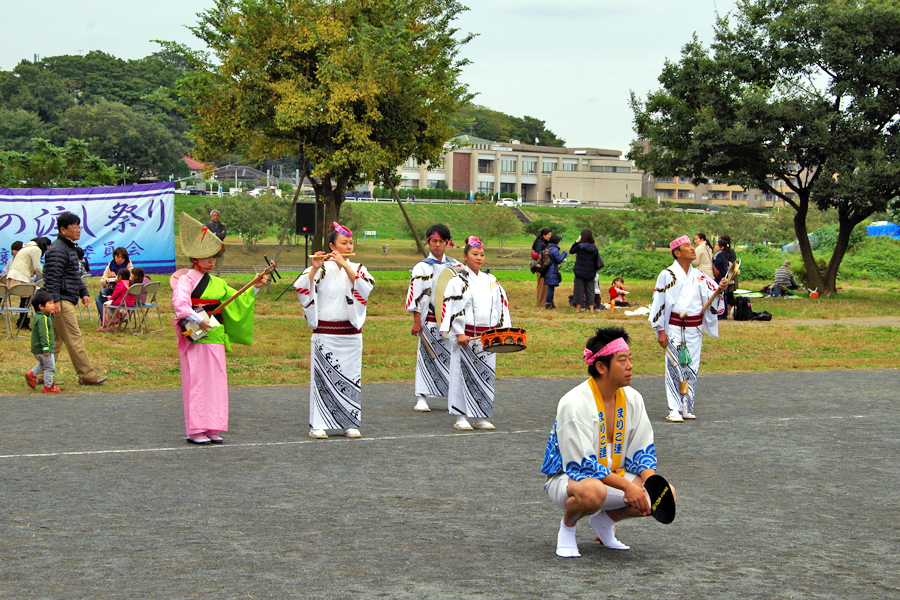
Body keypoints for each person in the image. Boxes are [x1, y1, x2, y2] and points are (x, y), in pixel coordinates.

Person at [541, 327, 662, 557]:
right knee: (593, 492)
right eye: (622, 360)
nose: (630, 366)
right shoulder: (574, 402)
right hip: (568, 479)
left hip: (612, 475)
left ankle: (605, 522)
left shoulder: (634, 399)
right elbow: (580, 466)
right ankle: (567, 527)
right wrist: (628, 487)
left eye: (630, 359)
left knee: (665, 494)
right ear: (600, 366)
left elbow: (642, 450)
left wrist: (652, 485)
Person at [172, 212, 269, 444]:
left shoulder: (219, 283)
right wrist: (198, 318)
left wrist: (254, 286)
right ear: (195, 257)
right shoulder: (186, 280)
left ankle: (213, 427)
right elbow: (180, 305)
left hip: (215, 336)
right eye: (207, 257)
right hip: (196, 336)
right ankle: (196, 429)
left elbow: (236, 301)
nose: (212, 261)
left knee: (216, 384)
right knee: (197, 382)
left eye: (214, 256)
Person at [296, 221, 374, 439]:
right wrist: (314, 267)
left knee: (351, 376)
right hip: (325, 333)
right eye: (344, 243)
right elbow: (302, 288)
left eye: (350, 243)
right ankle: (318, 423)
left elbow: (365, 288)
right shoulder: (320, 267)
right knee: (322, 377)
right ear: (332, 246)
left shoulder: (359, 268)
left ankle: (348, 422)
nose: (349, 247)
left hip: (350, 335)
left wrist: (346, 265)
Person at [649, 235, 726, 422]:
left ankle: (687, 405)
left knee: (692, 366)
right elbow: (658, 303)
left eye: (692, 244)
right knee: (675, 366)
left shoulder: (700, 275)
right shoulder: (666, 274)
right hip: (675, 327)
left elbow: (713, 295)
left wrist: (720, 289)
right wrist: (660, 330)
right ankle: (674, 408)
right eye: (687, 246)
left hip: (694, 328)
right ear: (677, 253)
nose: (693, 248)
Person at [439, 236, 511, 431]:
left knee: (485, 374)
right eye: (474, 254)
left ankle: (480, 415)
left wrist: (501, 330)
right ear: (465, 256)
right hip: (466, 336)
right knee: (462, 374)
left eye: (482, 254)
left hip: (487, 337)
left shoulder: (491, 280)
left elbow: (500, 306)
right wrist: (459, 332)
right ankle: (460, 415)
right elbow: (453, 306)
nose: (479, 258)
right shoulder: (457, 280)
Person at [42, 212, 107, 385]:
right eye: (74, 227)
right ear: (63, 230)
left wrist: (83, 292)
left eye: (79, 226)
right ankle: (86, 375)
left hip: (64, 298)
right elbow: (52, 278)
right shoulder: (57, 250)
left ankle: (40, 375)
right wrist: (55, 301)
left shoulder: (69, 248)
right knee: (74, 338)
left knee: (55, 343)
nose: (78, 230)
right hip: (60, 300)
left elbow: (73, 275)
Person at [406, 223, 462, 412]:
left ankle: (451, 397)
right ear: (428, 242)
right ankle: (422, 397)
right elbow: (415, 295)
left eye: (441, 241)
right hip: (429, 318)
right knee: (426, 357)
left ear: (447, 243)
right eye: (434, 241)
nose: (437, 245)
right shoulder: (421, 267)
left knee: (452, 358)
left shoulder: (456, 266)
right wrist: (416, 321)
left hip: (450, 321)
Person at [6, 236, 51, 330]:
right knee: (26, 298)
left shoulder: (27, 247)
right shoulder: (36, 249)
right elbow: (37, 266)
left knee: (25, 299)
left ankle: (22, 322)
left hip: (13, 274)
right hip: (20, 275)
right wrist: (46, 276)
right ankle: (23, 323)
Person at [25, 291, 62, 393]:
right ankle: (48, 386)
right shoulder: (43, 320)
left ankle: (31, 375)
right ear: (41, 306)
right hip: (43, 349)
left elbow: (48, 320)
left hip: (36, 349)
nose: (53, 305)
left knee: (43, 364)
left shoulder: (39, 316)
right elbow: (44, 334)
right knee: (50, 367)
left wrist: (52, 315)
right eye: (50, 303)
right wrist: (46, 348)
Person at [569, 229, 603, 314]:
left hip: (579, 272)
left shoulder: (580, 246)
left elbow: (571, 251)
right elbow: (596, 260)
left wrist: (577, 241)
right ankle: (591, 309)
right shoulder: (594, 247)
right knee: (590, 291)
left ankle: (578, 309)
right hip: (590, 272)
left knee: (578, 291)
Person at [95, 247, 133, 319]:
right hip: (112, 289)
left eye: (122, 258)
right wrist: (108, 278)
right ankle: (107, 318)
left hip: (122, 292)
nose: (120, 259)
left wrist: (121, 281)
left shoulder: (128, 265)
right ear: (114, 256)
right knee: (102, 292)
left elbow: (131, 280)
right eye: (118, 257)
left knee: (98, 299)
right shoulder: (111, 265)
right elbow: (102, 281)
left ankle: (110, 317)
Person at [98, 268, 133, 332]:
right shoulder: (131, 283)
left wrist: (110, 298)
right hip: (130, 303)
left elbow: (115, 294)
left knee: (106, 304)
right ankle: (123, 315)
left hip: (121, 302)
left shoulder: (121, 284)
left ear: (119, 277)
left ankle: (111, 321)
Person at [543, 234, 567, 309]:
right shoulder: (555, 249)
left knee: (551, 288)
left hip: (548, 271)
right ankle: (548, 304)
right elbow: (559, 260)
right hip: (552, 271)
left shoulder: (548, 247)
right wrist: (564, 254)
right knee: (551, 288)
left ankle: (550, 303)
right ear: (557, 241)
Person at [532, 228, 552, 307]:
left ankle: (543, 301)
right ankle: (540, 302)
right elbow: (539, 255)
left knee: (544, 285)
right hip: (541, 267)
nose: (550, 237)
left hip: (544, 266)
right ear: (544, 235)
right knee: (542, 286)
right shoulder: (540, 243)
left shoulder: (544, 242)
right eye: (549, 235)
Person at [712, 239, 730, 318]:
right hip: (721, 275)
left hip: (720, 276)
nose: (715, 246)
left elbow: (718, 265)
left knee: (721, 294)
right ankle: (723, 313)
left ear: (722, 247)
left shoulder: (721, 255)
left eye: (717, 245)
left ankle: (722, 313)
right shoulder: (721, 254)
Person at [206, 209, 227, 276]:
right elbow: (207, 235)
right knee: (209, 262)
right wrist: (218, 234)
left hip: (219, 247)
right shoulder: (207, 225)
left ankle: (217, 276)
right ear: (211, 217)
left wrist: (214, 234)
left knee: (219, 263)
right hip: (210, 247)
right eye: (214, 215)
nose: (215, 217)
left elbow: (223, 235)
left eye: (217, 216)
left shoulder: (222, 226)